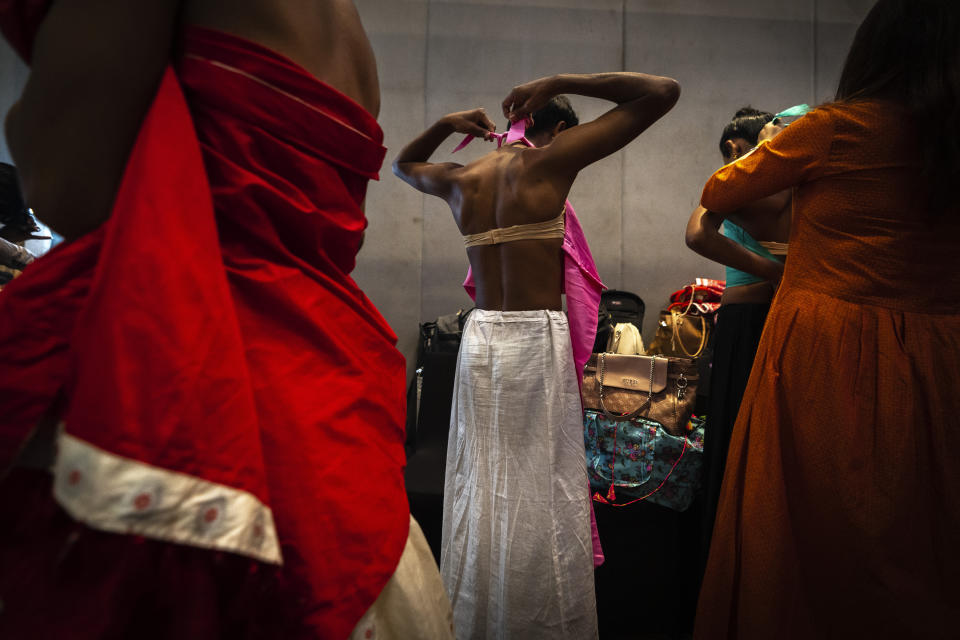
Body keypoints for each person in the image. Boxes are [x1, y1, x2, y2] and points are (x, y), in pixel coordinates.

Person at [0, 1, 452, 638]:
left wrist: (24, 114)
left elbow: (67, 184)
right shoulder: (339, 22)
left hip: (201, 388)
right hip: (327, 399)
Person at [694, 0, 960, 637]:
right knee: (926, 523)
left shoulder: (835, 127)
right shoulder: (950, 138)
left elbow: (718, 194)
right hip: (940, 348)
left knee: (806, 525)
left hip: (828, 344)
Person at [393, 71, 680, 639]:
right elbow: (662, 92)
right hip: (532, 340)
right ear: (551, 126)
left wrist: (446, 125)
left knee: (485, 476)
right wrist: (560, 80)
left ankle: (481, 611)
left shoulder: (463, 177)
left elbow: (403, 165)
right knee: (541, 484)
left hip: (482, 339)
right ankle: (533, 622)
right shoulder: (550, 162)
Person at [683, 107, 791, 571]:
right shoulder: (750, 183)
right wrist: (777, 269)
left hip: (755, 317)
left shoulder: (764, 182)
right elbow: (696, 235)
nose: (732, 155)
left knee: (747, 442)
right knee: (746, 443)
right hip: (752, 315)